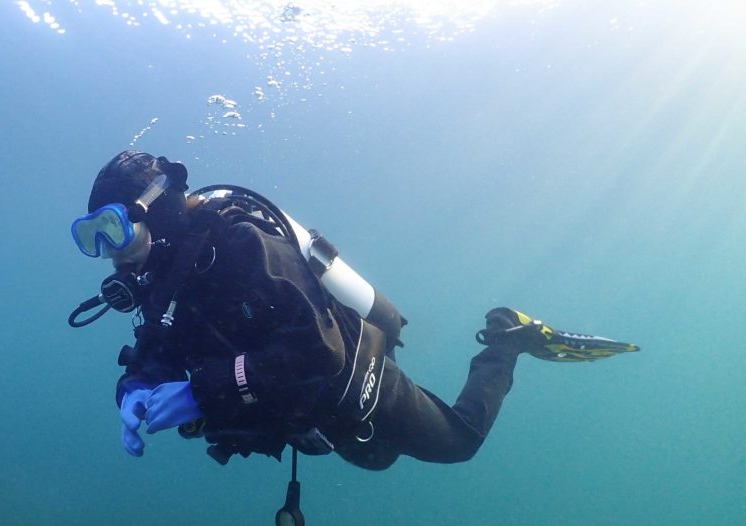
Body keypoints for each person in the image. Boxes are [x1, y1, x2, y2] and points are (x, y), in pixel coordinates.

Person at [68, 150, 638, 475]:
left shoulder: (242, 246)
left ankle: (508, 338)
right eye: (91, 236)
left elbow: (319, 350)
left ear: (157, 208)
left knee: (457, 446)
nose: (108, 248)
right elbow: (159, 347)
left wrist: (201, 393)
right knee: (377, 460)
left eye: (114, 226)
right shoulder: (163, 276)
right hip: (313, 412)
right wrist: (135, 389)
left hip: (355, 379)